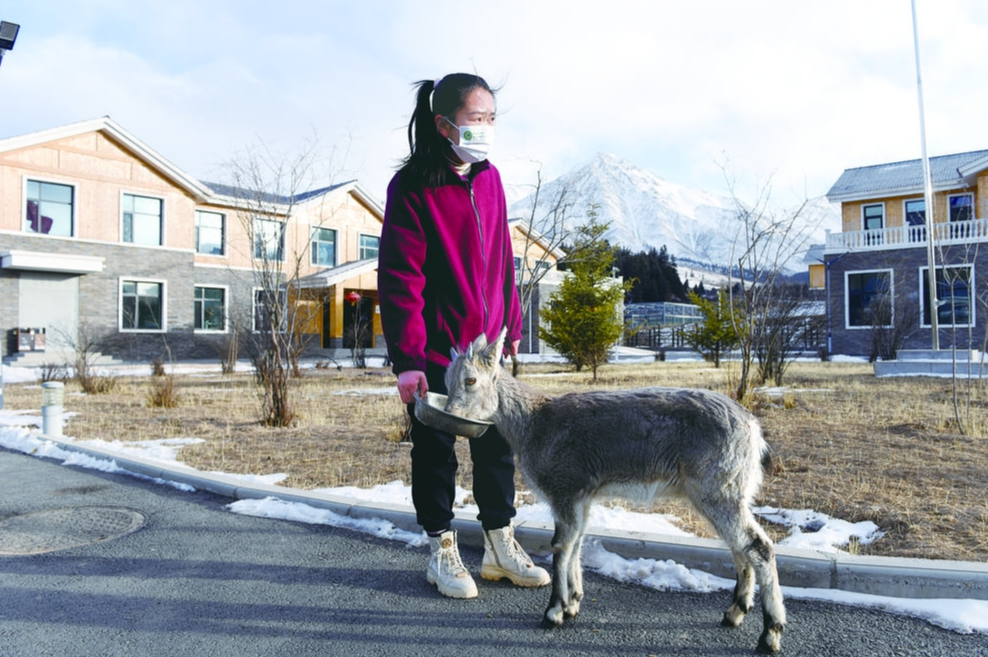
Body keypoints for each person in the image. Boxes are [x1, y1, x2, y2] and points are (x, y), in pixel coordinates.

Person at [377, 73, 550, 599]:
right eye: (478, 119)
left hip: (486, 352)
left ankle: (500, 545)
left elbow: (503, 260)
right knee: (436, 453)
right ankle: (441, 550)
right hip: (435, 352)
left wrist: (512, 326)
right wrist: (408, 358)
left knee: (498, 448)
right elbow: (401, 278)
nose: (487, 129)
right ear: (444, 123)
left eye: (492, 119)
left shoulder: (490, 178)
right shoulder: (411, 187)